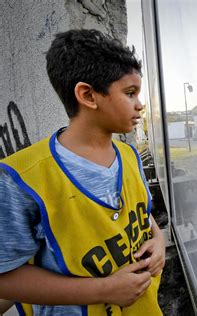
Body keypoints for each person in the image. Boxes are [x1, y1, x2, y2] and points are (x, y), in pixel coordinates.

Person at [0, 29, 165, 315]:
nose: (140, 104)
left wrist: (158, 239)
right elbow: (5, 278)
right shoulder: (20, 179)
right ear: (88, 95)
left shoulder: (129, 155)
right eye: (130, 93)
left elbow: (140, 214)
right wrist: (103, 290)